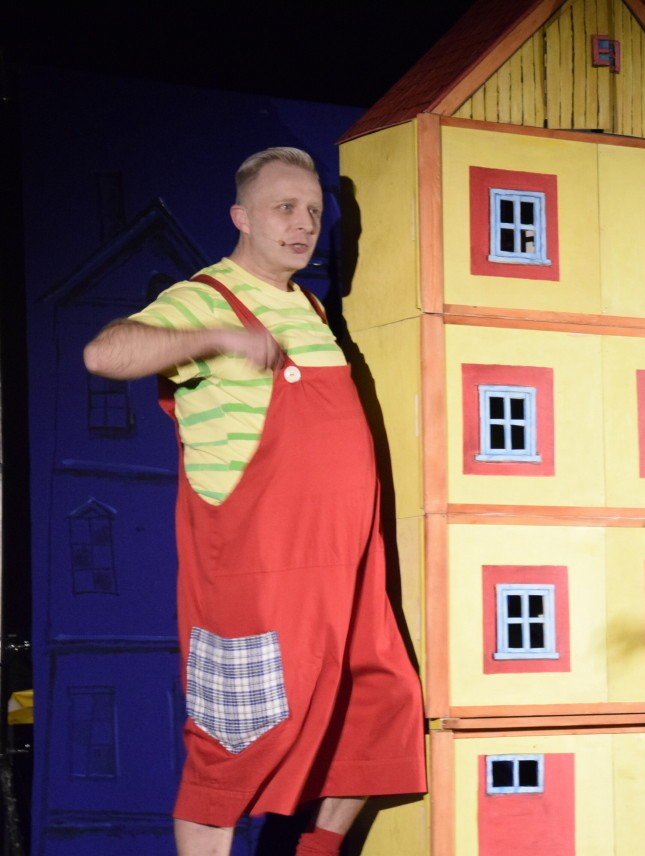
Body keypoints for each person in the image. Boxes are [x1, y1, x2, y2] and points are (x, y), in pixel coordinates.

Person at [83, 147, 426, 856]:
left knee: (376, 707)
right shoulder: (208, 297)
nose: (304, 225)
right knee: (235, 740)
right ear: (241, 216)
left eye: (314, 212)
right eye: (285, 208)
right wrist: (216, 338)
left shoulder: (310, 307)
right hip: (260, 571)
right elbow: (105, 353)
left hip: (346, 565)